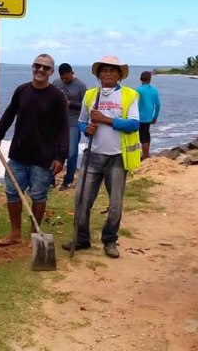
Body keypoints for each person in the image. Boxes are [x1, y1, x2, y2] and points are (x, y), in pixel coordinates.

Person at [62, 56, 141, 259]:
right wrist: (86, 128)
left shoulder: (129, 95)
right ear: (98, 75)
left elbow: (133, 124)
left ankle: (110, 241)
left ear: (119, 75)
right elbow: (81, 122)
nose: (107, 73)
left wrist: (104, 119)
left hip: (117, 157)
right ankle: (81, 238)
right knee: (81, 200)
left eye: (112, 70)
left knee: (115, 204)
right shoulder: (90, 95)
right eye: (103, 70)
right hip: (93, 155)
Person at [0, 54, 69, 246]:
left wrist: (61, 157)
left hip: (44, 157)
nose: (41, 70)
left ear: (52, 72)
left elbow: (63, 128)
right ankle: (15, 233)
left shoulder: (57, 97)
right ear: (32, 67)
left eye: (46, 68)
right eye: (38, 66)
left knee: (38, 195)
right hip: (19, 154)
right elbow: (9, 114)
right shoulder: (22, 90)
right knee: (12, 193)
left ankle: (34, 234)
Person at [52, 63, 87, 189]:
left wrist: (70, 103)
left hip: (73, 122)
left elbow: (85, 107)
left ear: (72, 73)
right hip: (56, 122)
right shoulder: (56, 83)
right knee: (53, 150)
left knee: (71, 152)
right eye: (63, 78)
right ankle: (51, 178)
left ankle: (68, 179)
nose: (65, 80)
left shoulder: (81, 86)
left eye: (67, 78)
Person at [137, 71, 161, 160]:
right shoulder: (154, 90)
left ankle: (146, 156)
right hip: (149, 117)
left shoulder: (138, 90)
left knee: (142, 137)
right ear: (150, 80)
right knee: (146, 134)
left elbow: (137, 105)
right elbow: (158, 105)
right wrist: (155, 117)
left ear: (140, 79)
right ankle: (146, 154)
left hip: (140, 117)